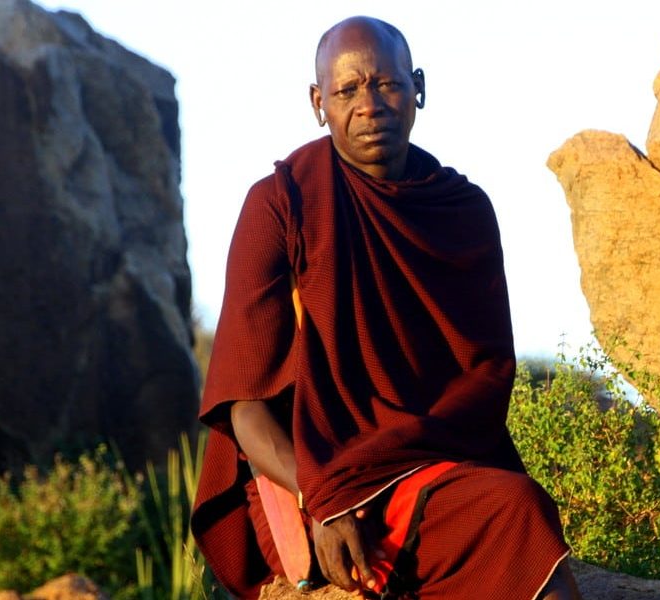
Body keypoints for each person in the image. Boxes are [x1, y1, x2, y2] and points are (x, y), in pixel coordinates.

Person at [190, 16, 581, 600]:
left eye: (386, 84)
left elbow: (487, 375)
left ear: (418, 87)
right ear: (318, 103)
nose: (369, 105)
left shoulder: (462, 211)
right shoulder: (280, 205)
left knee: (518, 511)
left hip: (425, 468)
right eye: (347, 91)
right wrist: (321, 497)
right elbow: (245, 409)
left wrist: (394, 456)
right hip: (306, 478)